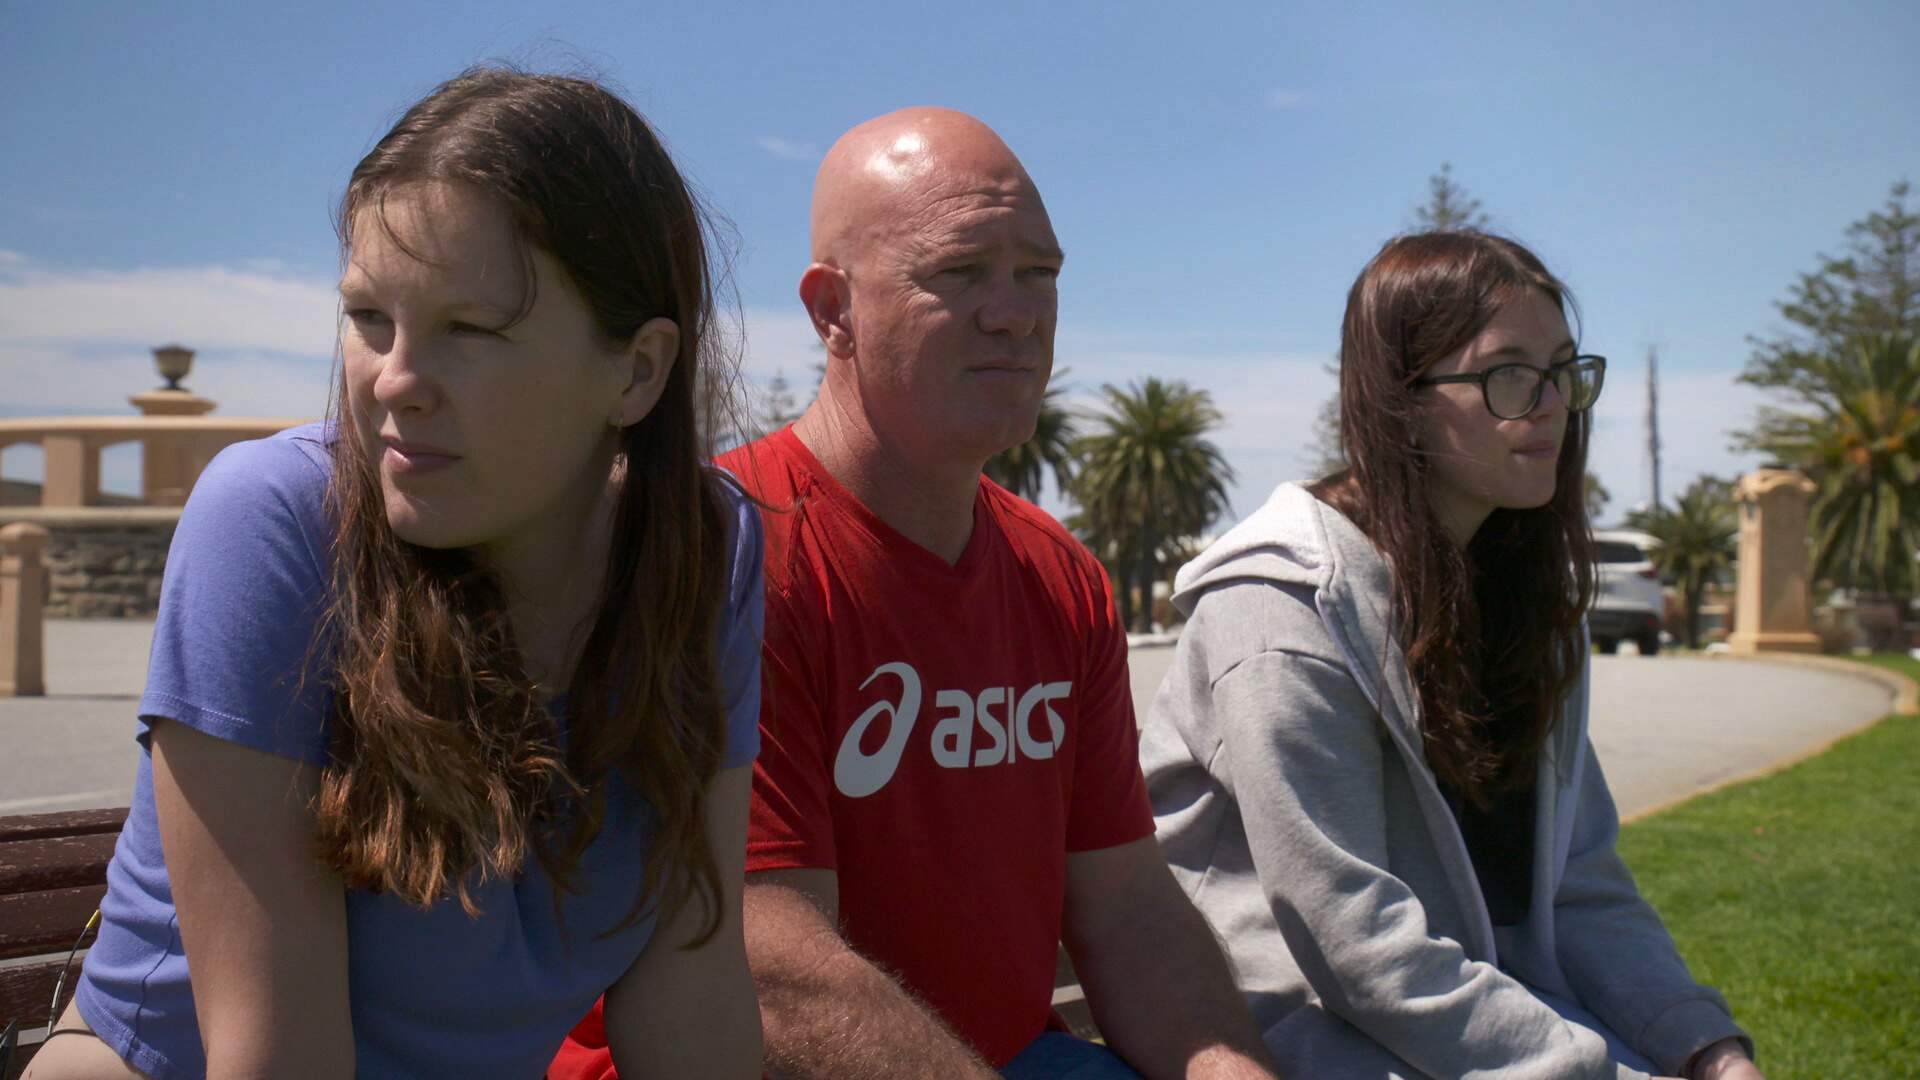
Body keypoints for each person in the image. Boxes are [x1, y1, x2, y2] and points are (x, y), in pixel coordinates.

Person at [28, 69, 763, 1080]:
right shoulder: (276, 523)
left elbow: (694, 999)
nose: (395, 383)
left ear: (637, 371)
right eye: (371, 318)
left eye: (470, 329)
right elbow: (278, 1060)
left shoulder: (706, 556)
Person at [553, 108, 1278, 1080]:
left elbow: (1130, 913)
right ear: (831, 309)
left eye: (1039, 274)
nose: (1017, 312)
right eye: (959, 272)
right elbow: (773, 975)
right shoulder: (721, 559)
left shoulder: (1062, 578)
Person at [1138, 230, 1764, 1080]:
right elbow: (1356, 945)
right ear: (1403, 398)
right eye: (1508, 374)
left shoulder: (1528, 600)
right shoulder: (1284, 608)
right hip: (1287, 1032)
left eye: (1563, 371)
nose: (1549, 404)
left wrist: (1705, 1046)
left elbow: (1579, 887)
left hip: (1476, 1015)